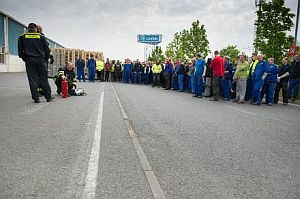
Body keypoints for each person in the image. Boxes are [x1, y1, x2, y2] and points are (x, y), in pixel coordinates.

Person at [18, 23, 53, 103]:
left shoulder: (22, 37)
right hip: (41, 61)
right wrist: (45, 60)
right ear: (35, 29)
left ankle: (36, 98)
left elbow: (20, 53)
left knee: (32, 80)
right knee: (44, 79)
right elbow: (47, 51)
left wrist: (25, 59)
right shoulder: (41, 37)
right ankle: (48, 97)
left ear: (28, 28)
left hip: (29, 61)